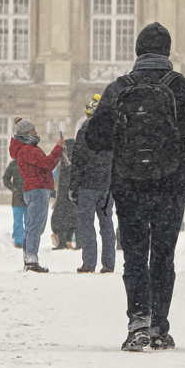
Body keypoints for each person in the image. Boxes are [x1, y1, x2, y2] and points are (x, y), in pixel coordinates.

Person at [83, 22, 185, 352]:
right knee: (164, 258)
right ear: (167, 52)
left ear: (138, 51)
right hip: (169, 187)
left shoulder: (118, 88)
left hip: (129, 187)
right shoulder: (184, 89)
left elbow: (93, 138)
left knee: (136, 257)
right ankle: (159, 327)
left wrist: (121, 141)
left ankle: (137, 322)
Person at [10, 118, 65, 272]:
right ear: (26, 133)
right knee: (35, 226)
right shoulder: (28, 150)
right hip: (38, 189)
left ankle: (29, 258)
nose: (35, 132)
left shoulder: (25, 149)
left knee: (32, 225)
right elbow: (47, 163)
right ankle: (31, 260)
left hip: (35, 189)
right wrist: (58, 148)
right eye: (32, 130)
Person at [71, 93, 116, 274]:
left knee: (87, 225)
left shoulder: (84, 133)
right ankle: (109, 264)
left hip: (87, 186)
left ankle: (89, 263)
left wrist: (73, 187)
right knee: (107, 224)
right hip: (107, 187)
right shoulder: (114, 133)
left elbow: (77, 162)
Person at [51, 140, 80, 250]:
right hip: (75, 196)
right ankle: (79, 243)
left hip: (64, 196)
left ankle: (63, 242)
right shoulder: (78, 161)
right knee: (76, 221)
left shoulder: (64, 162)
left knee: (61, 220)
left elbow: (61, 180)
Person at [2, 156, 26, 248]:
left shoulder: (32, 163)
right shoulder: (14, 164)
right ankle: (19, 240)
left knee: (29, 221)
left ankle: (29, 240)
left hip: (29, 196)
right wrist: (13, 188)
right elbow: (6, 178)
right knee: (18, 221)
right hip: (17, 198)